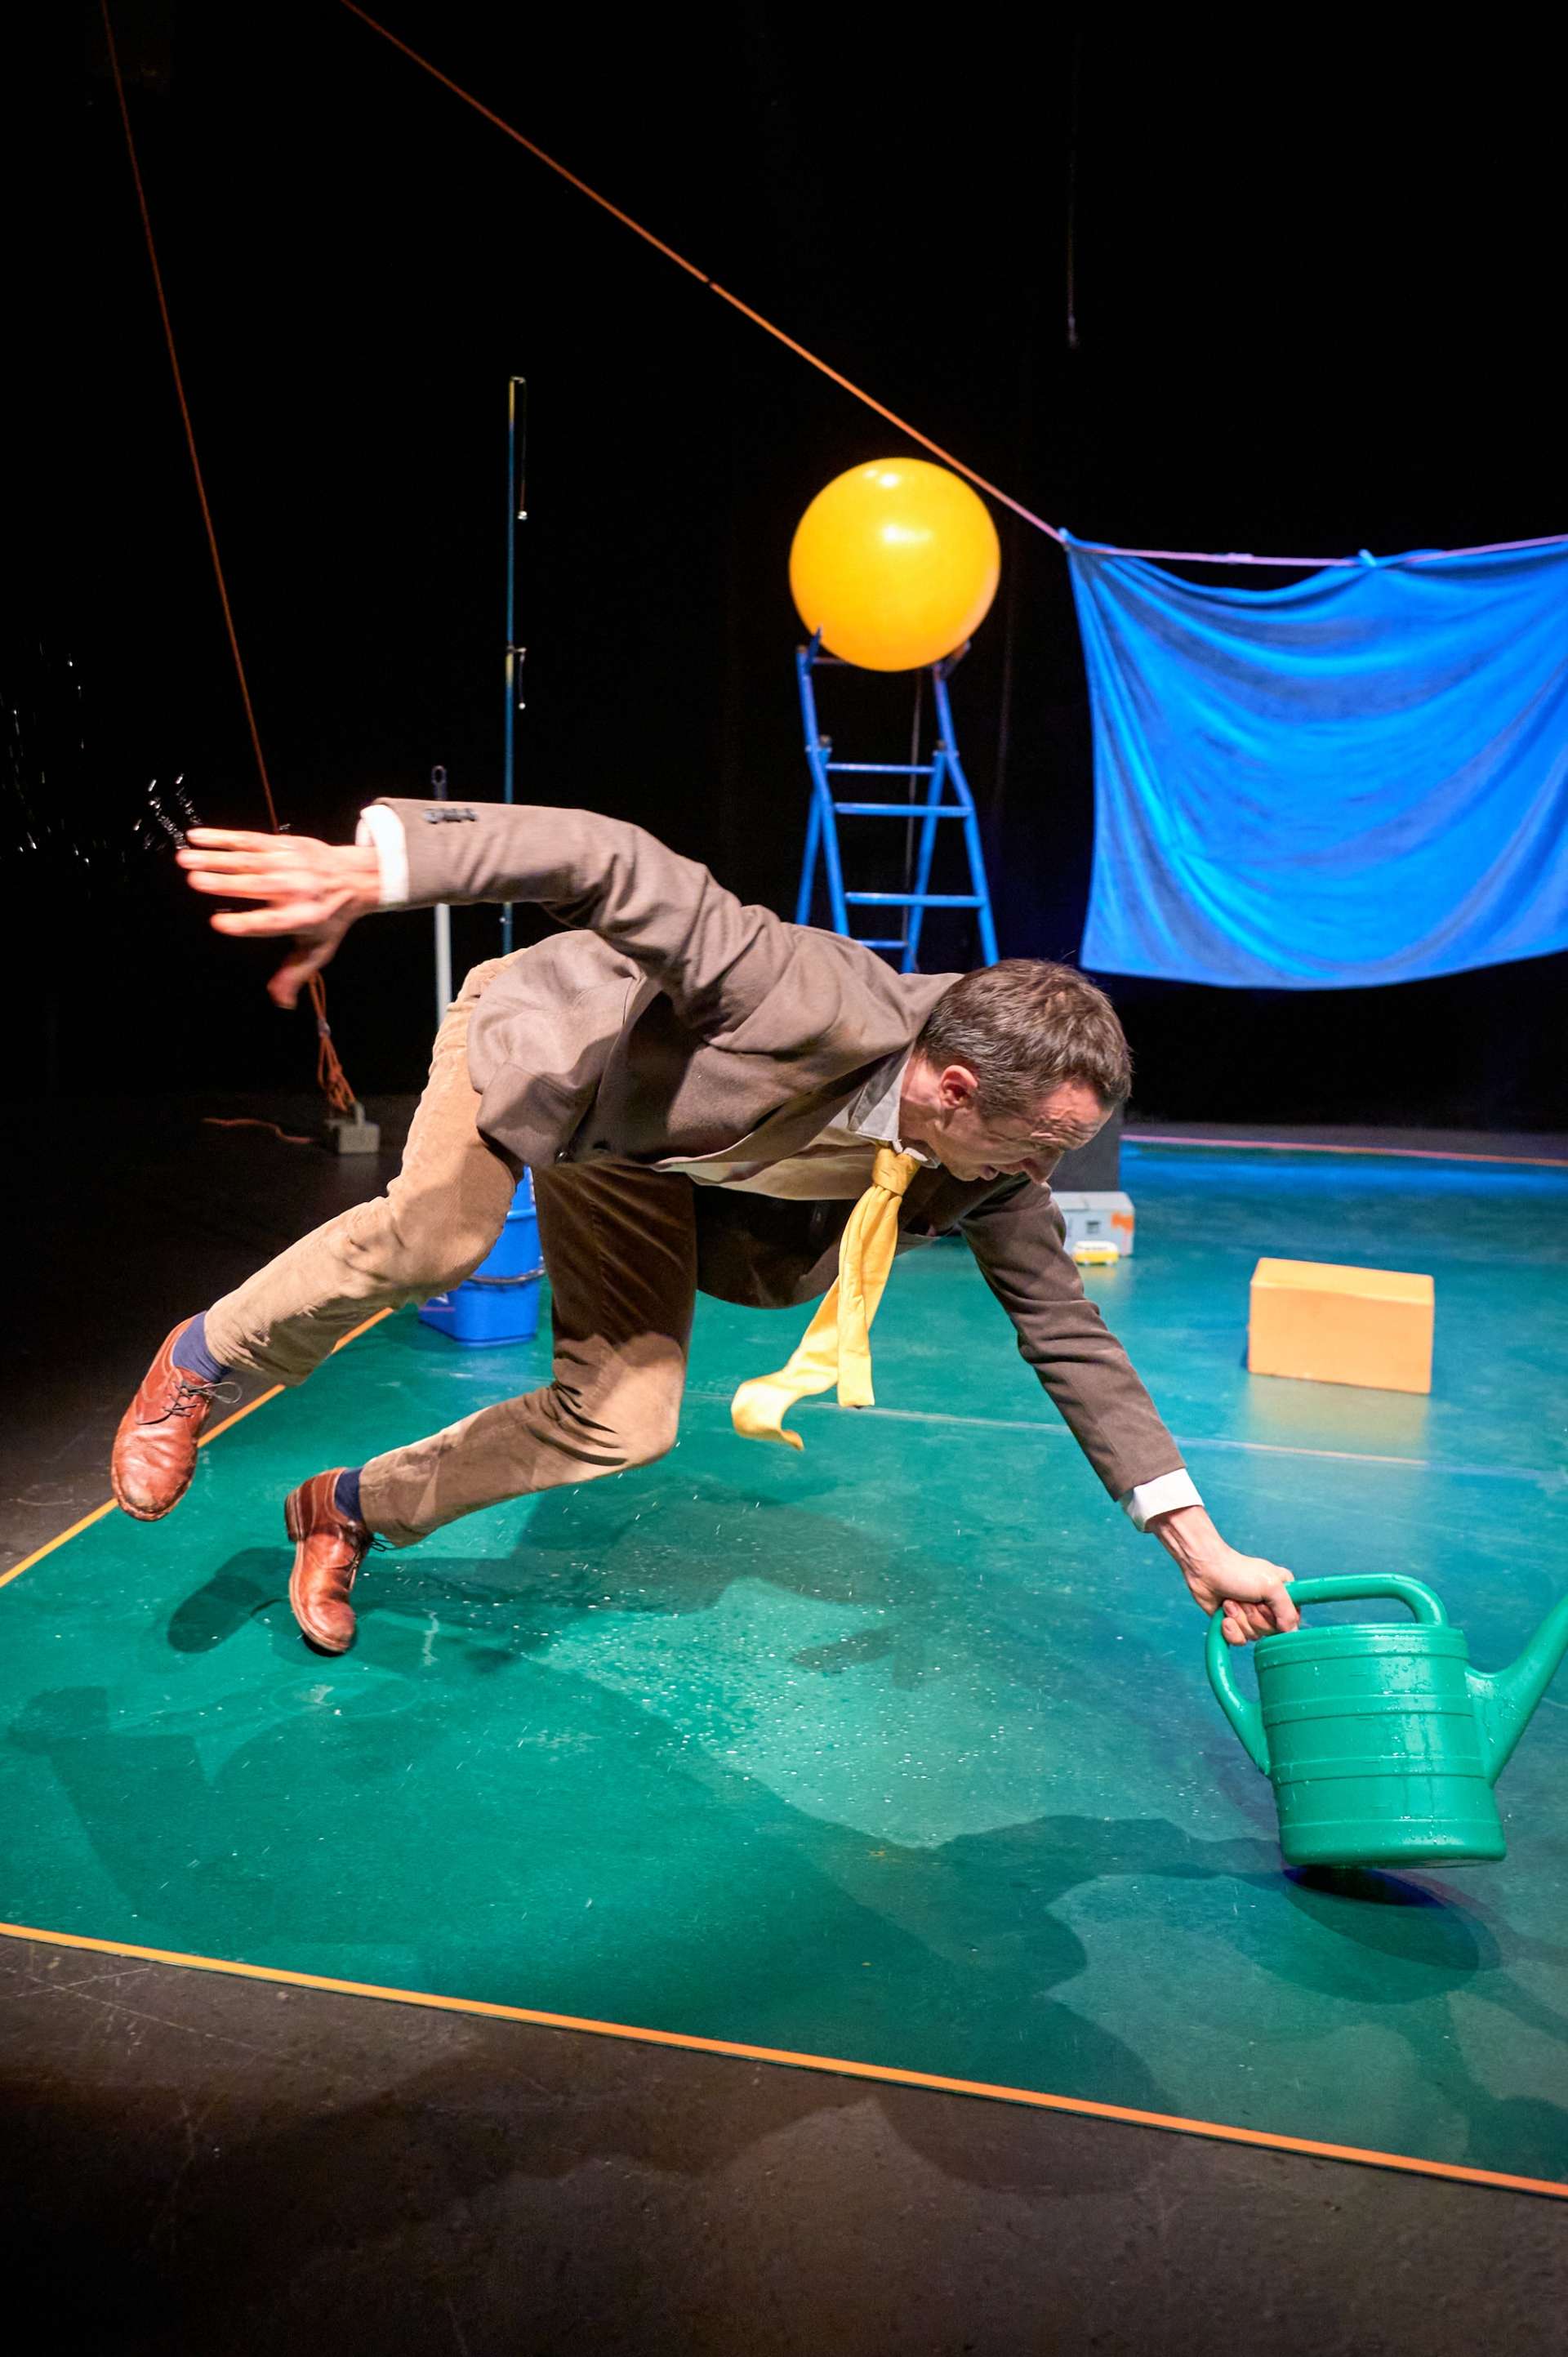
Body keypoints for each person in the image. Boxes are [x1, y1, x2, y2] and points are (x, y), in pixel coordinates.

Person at [112, 799, 1298, 1657]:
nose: (1044, 1173)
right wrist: (378, 867)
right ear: (953, 1088)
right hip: (554, 1054)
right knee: (440, 1239)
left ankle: (346, 1507)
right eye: (1037, 1143)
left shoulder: (983, 1172)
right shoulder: (806, 994)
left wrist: (1196, 1543)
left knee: (622, 1417)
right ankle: (200, 1362)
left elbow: (1071, 1339)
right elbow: (608, 857)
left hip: (653, 1162)